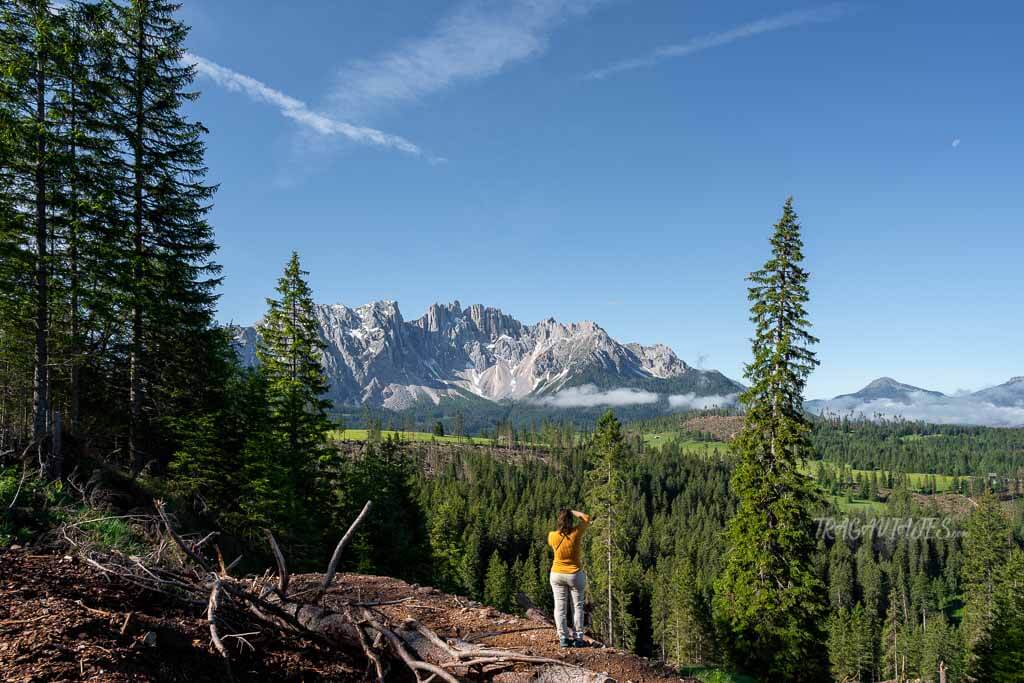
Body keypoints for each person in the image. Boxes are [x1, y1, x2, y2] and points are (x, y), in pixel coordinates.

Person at [547, 508, 590, 647]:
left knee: (560, 608)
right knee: (577, 607)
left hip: (557, 574)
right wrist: (573, 511)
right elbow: (586, 518)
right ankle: (578, 639)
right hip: (574, 575)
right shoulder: (576, 533)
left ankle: (563, 638)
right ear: (571, 521)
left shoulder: (552, 536)